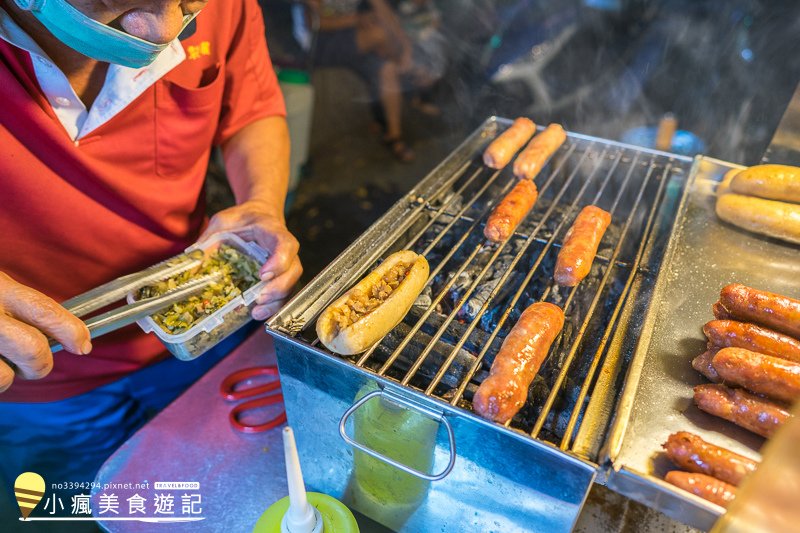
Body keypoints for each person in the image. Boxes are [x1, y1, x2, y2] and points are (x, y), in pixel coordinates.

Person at [0, 0, 301, 526]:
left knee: (217, 501)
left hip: (203, 334)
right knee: (76, 515)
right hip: (41, 385)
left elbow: (250, 104)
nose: (166, 32)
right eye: (126, 2)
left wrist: (260, 204)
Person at [310, 0, 416, 162]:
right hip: (322, 44)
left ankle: (394, 136)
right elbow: (314, 22)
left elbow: (385, 12)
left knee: (386, 69)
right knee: (379, 34)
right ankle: (407, 68)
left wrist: (406, 44)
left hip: (357, 39)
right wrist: (357, 19)